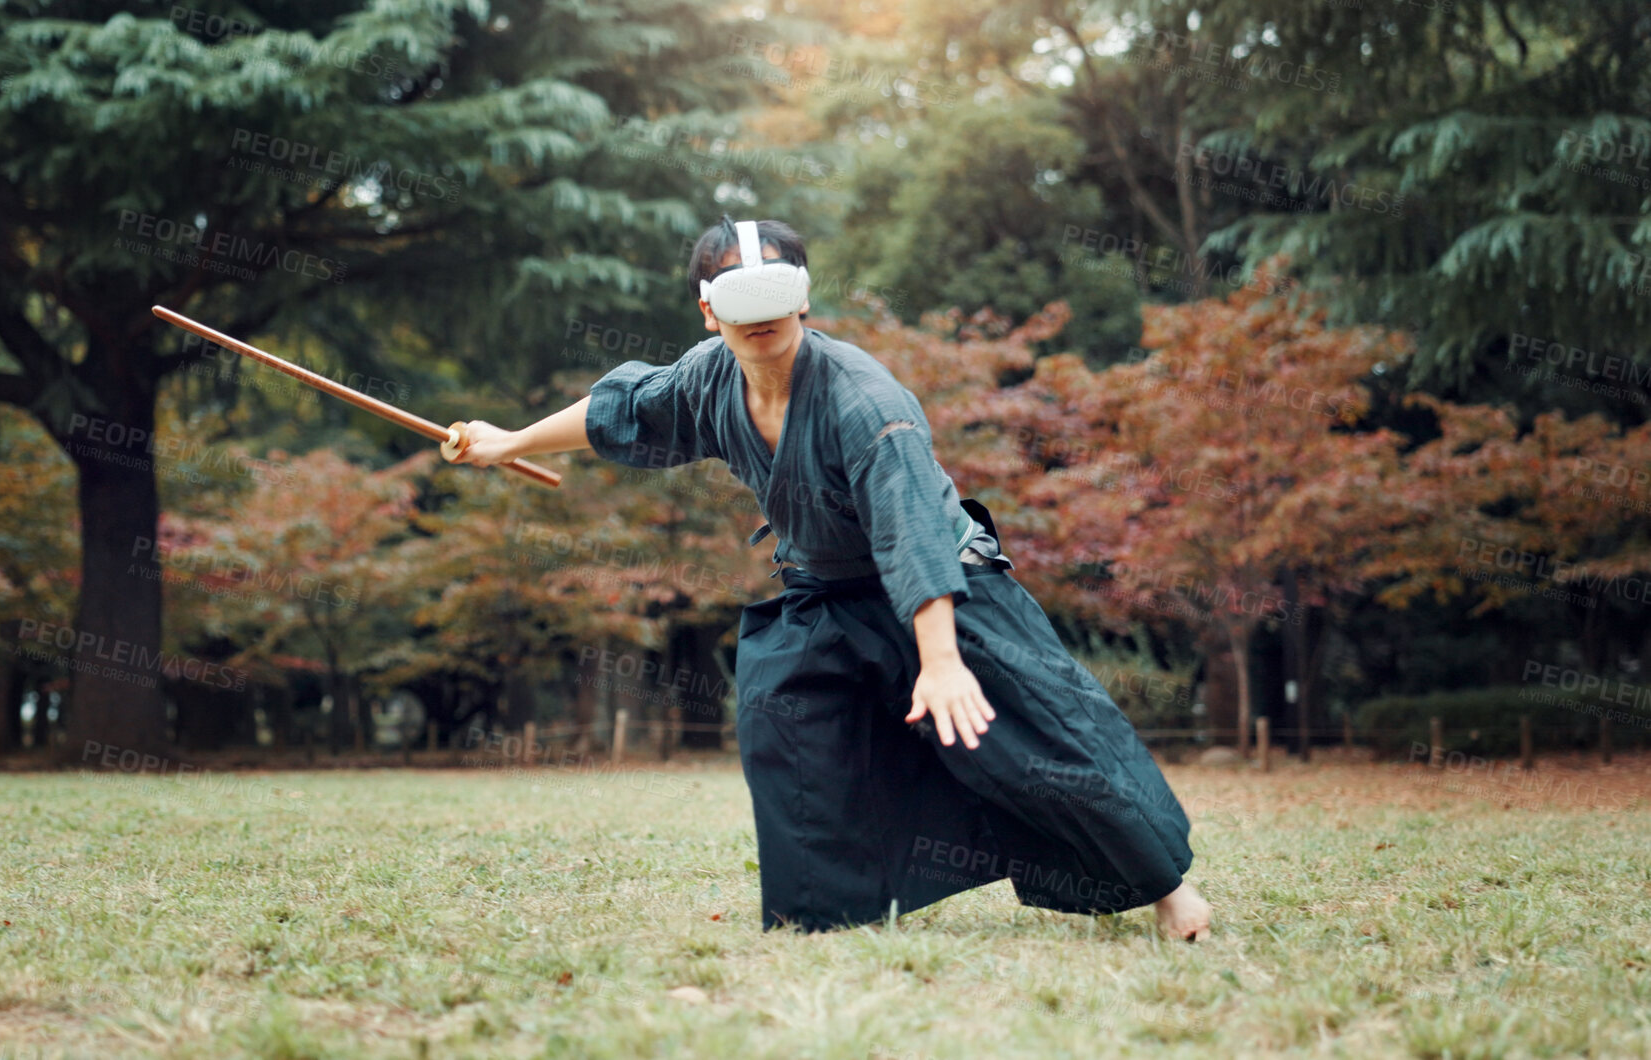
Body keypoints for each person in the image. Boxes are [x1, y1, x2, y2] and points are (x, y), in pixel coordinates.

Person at [445, 217, 1212, 940]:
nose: (758, 319)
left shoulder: (865, 400)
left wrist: (941, 664)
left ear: (803, 296)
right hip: (826, 587)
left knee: (1030, 742)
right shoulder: (706, 376)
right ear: (708, 311)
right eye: (736, 303)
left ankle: (1166, 889)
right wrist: (507, 442)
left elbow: (911, 535)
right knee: (781, 708)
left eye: (773, 297)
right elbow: (624, 408)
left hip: (950, 588)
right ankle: (823, 910)